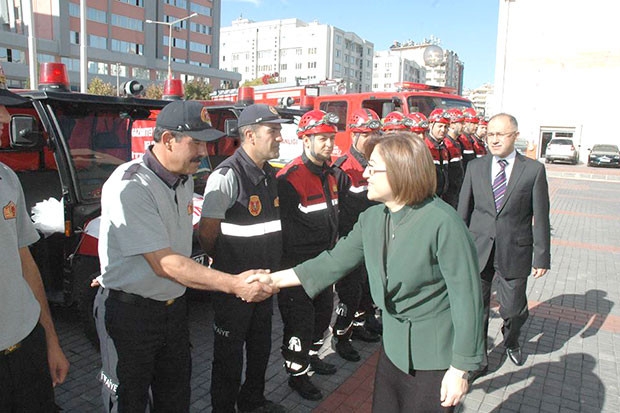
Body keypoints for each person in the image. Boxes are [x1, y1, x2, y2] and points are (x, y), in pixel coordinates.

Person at [263, 132, 485, 412]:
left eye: (373, 167)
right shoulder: (372, 219)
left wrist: (460, 369)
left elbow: (468, 300)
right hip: (392, 353)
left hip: (435, 359)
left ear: (399, 172)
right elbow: (330, 263)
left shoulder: (443, 223)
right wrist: (271, 280)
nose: (365, 173)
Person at [94, 100, 275, 412]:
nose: (203, 153)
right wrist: (233, 283)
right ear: (167, 140)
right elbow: (166, 263)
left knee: (175, 398)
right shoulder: (131, 185)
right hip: (132, 316)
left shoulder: (183, 178)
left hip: (173, 312)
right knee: (129, 401)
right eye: (197, 143)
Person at [199, 104, 290, 413]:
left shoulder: (269, 174)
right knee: (228, 356)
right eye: (273, 131)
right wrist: (227, 266)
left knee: (260, 349)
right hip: (233, 289)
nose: (280, 137)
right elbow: (207, 234)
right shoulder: (226, 176)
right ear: (250, 135)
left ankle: (252, 401)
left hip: (265, 286)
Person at [457, 113, 550, 381]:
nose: (494, 139)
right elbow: (464, 210)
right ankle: (479, 360)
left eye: (501, 134)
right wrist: (458, 248)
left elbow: (541, 216)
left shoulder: (533, 170)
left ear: (515, 136)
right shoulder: (475, 167)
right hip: (479, 249)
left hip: (516, 250)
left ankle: (511, 339)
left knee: (513, 309)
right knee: (477, 307)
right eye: (490, 134)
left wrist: (541, 257)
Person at [0, 64, 70, 413]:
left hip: (26, 348)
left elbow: (26, 263)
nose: (3, 115)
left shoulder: (7, 178)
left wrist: (51, 340)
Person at [276, 109, 348, 400]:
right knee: (299, 325)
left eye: (331, 138)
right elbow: (285, 232)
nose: (329, 144)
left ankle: (312, 357)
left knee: (321, 318)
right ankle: (297, 375)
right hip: (299, 269)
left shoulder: (328, 174)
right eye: (322, 139)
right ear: (306, 140)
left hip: (324, 265)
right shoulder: (290, 178)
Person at [331, 108, 382, 363]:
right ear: (355, 136)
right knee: (349, 293)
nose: (372, 140)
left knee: (366, 288)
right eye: (367, 135)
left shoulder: (375, 164)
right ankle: (341, 337)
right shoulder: (343, 169)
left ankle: (360, 325)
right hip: (350, 242)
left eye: (375, 135)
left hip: (371, 240)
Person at [424, 109, 451, 199]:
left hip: (442, 196)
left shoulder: (444, 147)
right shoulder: (425, 146)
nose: (443, 130)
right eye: (440, 126)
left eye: (446, 127)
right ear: (431, 125)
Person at [443, 108, 465, 209]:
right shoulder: (447, 145)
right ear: (451, 124)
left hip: (457, 193)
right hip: (448, 195)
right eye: (460, 123)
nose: (463, 126)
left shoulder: (457, 143)